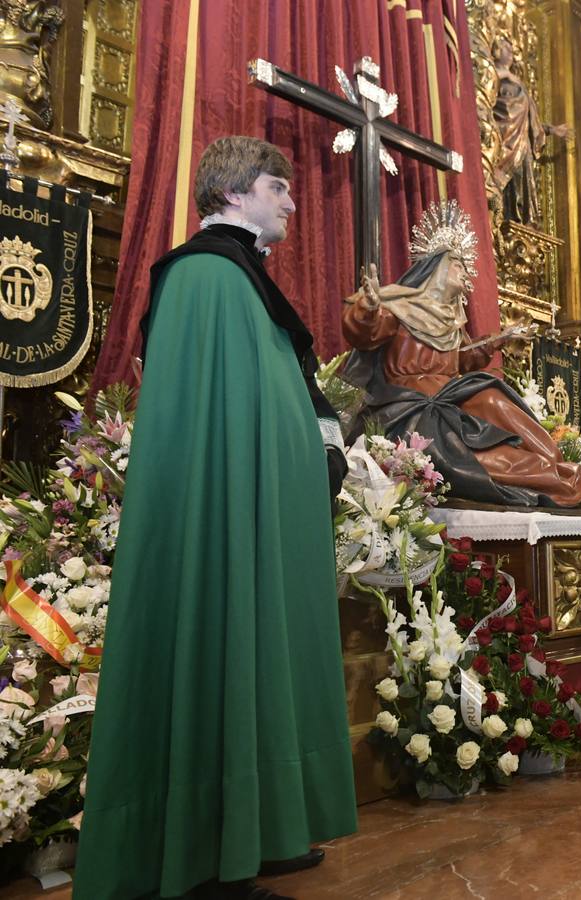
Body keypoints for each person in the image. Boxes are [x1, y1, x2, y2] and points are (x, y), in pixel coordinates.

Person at [75, 136, 357, 899]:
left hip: (263, 507)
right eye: (278, 186)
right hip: (225, 514)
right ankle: (205, 848)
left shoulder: (243, 279)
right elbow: (217, 419)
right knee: (222, 640)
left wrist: (318, 447)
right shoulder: (205, 277)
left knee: (262, 653)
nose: (291, 201)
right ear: (234, 194)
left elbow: (277, 393)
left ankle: (260, 823)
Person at [341, 200, 581, 508]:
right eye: (458, 265)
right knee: (472, 452)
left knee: (494, 398)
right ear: (437, 267)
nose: (466, 273)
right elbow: (366, 333)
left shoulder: (451, 320)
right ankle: (562, 484)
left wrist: (498, 340)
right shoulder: (398, 306)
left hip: (449, 394)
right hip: (410, 406)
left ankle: (570, 472)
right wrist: (369, 307)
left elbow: (463, 358)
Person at [492, 37, 570, 227]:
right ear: (496, 51)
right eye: (506, 49)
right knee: (508, 182)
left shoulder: (517, 81)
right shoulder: (492, 75)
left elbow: (528, 119)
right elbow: (494, 110)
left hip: (522, 141)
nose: (510, 55)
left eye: (511, 50)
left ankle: (524, 221)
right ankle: (507, 220)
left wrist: (552, 129)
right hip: (504, 139)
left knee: (524, 182)